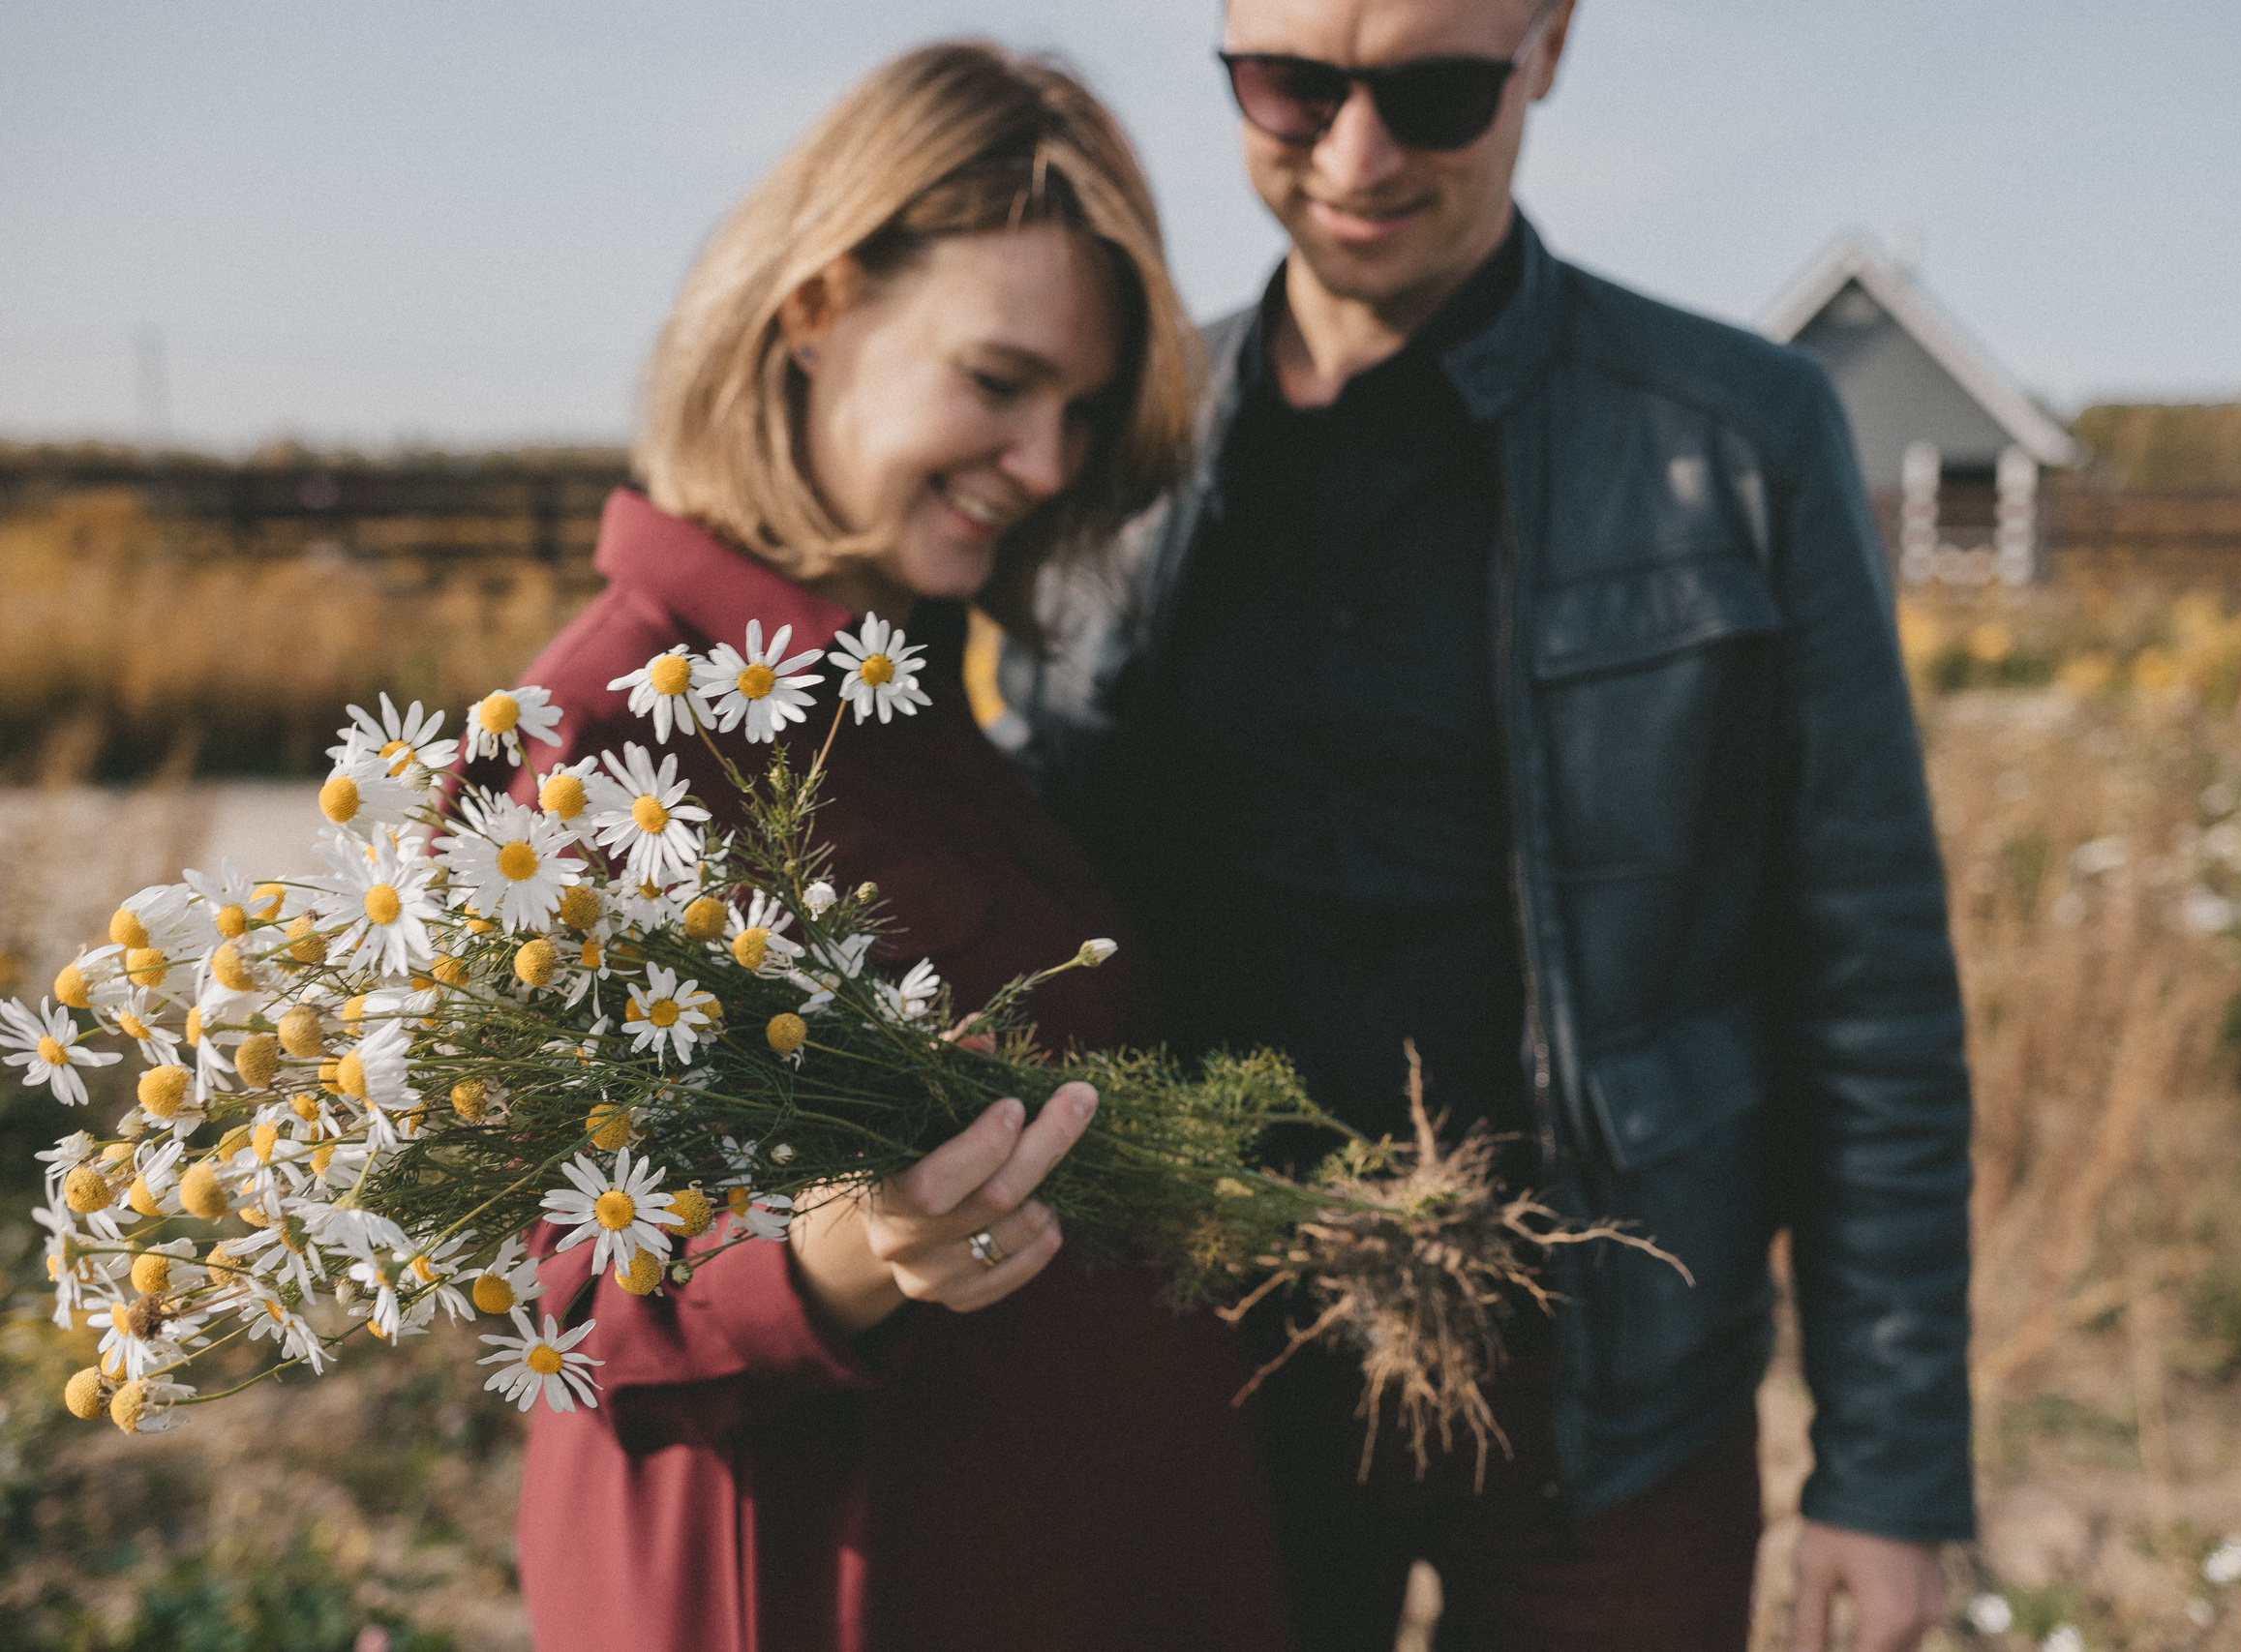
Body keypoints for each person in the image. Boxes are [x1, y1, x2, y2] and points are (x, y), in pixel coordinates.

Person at [997, 2, 1976, 1649]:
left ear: (1550, 47)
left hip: (1611, 1405)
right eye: (1294, 86)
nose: (1358, 157)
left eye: (1438, 92)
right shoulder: (1122, 441)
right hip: (1213, 1374)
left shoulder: (1740, 440)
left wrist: (1888, 1470)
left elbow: (1868, 986)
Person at [489, 43, 1292, 1652]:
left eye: (1078, 410)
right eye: (999, 382)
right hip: (816, 1584)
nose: (1051, 464)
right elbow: (562, 1297)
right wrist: (846, 1254)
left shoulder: (906, 696)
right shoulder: (606, 746)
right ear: (818, 308)